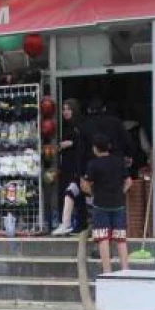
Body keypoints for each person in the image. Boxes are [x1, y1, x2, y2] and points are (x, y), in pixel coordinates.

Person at [82, 133, 132, 274]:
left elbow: (85, 184)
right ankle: (125, 269)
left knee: (103, 238)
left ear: (95, 149)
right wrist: (120, 192)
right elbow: (128, 182)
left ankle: (107, 270)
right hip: (118, 204)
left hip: (100, 205)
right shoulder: (118, 161)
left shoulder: (93, 164)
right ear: (108, 147)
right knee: (120, 238)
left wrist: (92, 193)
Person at [52, 99, 87, 236]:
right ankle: (78, 224)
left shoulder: (78, 126)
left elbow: (82, 144)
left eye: (68, 109)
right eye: (64, 109)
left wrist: (70, 143)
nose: (65, 112)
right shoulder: (68, 126)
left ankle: (70, 223)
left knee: (72, 193)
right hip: (68, 166)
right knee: (76, 195)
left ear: (74, 110)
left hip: (75, 167)